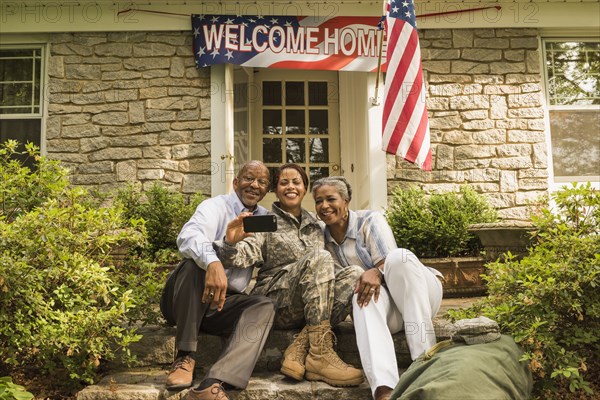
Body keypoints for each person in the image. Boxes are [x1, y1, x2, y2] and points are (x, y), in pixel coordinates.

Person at [214, 164, 364, 387]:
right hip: (277, 302)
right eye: (284, 182)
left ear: (304, 189)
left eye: (296, 182)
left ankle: (302, 347)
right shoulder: (264, 220)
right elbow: (244, 254)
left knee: (355, 274)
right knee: (320, 257)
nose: (290, 186)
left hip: (311, 307)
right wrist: (230, 244)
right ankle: (321, 354)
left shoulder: (317, 223)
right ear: (276, 189)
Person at [311, 176, 444, 400]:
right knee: (359, 299)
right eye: (318, 201)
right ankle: (384, 388)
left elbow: (390, 263)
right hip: (389, 310)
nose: (324, 206)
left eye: (330, 199)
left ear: (346, 201)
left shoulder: (370, 220)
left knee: (399, 257)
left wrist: (376, 271)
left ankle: (423, 361)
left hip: (417, 294)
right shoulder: (321, 238)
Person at [160, 160, 276, 400]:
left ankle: (214, 382)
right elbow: (188, 236)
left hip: (221, 304)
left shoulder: (265, 218)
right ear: (235, 182)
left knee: (263, 305)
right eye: (249, 178)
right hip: (185, 300)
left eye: (262, 182)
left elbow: (260, 255)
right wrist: (213, 263)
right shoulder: (215, 206)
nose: (255, 185)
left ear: (266, 190)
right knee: (194, 264)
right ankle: (185, 355)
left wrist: (231, 247)